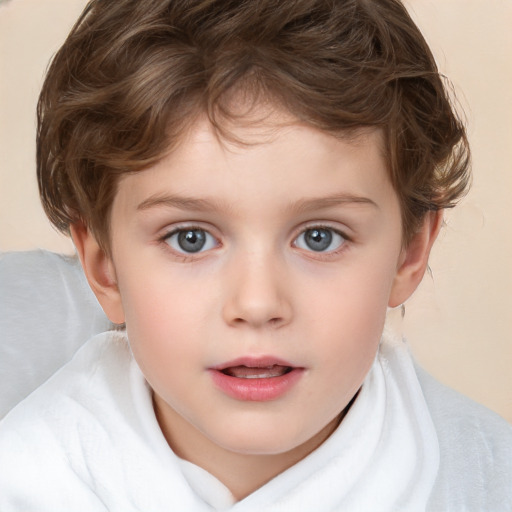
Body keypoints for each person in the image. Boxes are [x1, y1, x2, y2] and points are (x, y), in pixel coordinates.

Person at [0, 0, 510, 510]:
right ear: (102, 266)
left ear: (410, 251)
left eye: (320, 237)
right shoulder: (28, 481)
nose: (258, 302)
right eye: (190, 239)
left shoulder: (486, 479)